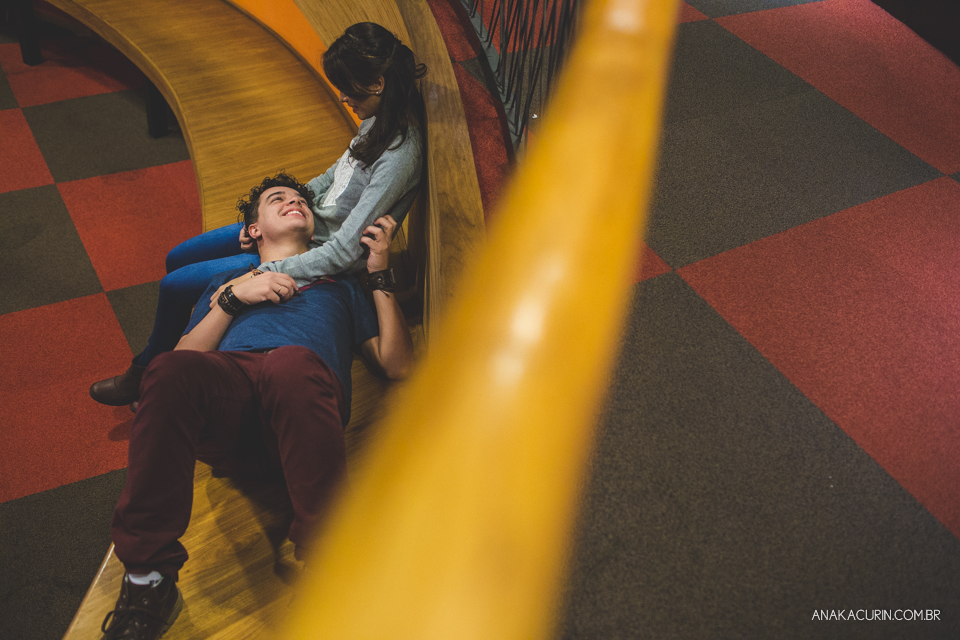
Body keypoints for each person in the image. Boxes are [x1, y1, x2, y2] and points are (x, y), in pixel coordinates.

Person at [99, 172, 414, 640]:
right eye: (278, 199)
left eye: (301, 199)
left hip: (302, 406)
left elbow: (397, 363)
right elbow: (182, 365)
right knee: (162, 371)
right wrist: (231, 298)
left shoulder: (340, 284)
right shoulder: (229, 280)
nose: (295, 202)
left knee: (288, 364)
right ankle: (149, 579)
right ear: (252, 231)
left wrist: (377, 271)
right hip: (232, 403)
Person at [90, 22, 426, 408]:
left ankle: (149, 372)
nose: (343, 96)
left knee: (174, 285)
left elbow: (344, 252)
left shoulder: (399, 156)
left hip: (308, 250)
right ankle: (178, 351)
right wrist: (286, 201)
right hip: (295, 224)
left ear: (378, 83)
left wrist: (260, 272)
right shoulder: (376, 119)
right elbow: (335, 175)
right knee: (176, 258)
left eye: (348, 87)